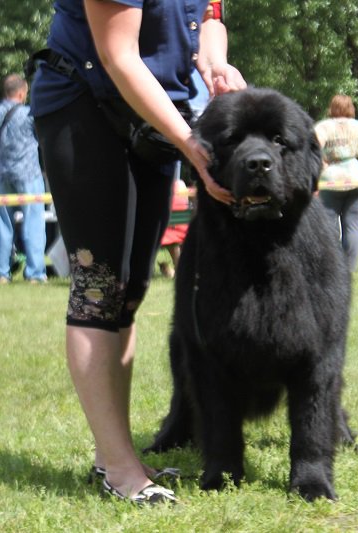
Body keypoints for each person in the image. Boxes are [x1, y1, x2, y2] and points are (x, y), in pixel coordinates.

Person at [30, 0, 246, 504]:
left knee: (131, 290)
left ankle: (114, 456)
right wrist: (189, 141)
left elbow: (210, 16)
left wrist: (214, 63)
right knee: (100, 286)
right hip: (85, 105)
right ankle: (120, 469)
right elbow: (118, 55)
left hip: (153, 109)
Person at [0, 74, 47, 284]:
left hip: (4, 173)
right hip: (29, 173)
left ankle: (2, 273)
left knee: (4, 224)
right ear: (21, 92)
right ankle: (35, 274)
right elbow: (43, 139)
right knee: (33, 222)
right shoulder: (29, 114)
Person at [315, 95, 358, 272]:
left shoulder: (324, 126)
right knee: (353, 225)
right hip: (357, 176)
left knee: (329, 225)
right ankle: (349, 269)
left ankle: (332, 267)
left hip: (331, 179)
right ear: (351, 108)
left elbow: (312, 146)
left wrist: (323, 164)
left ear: (332, 108)